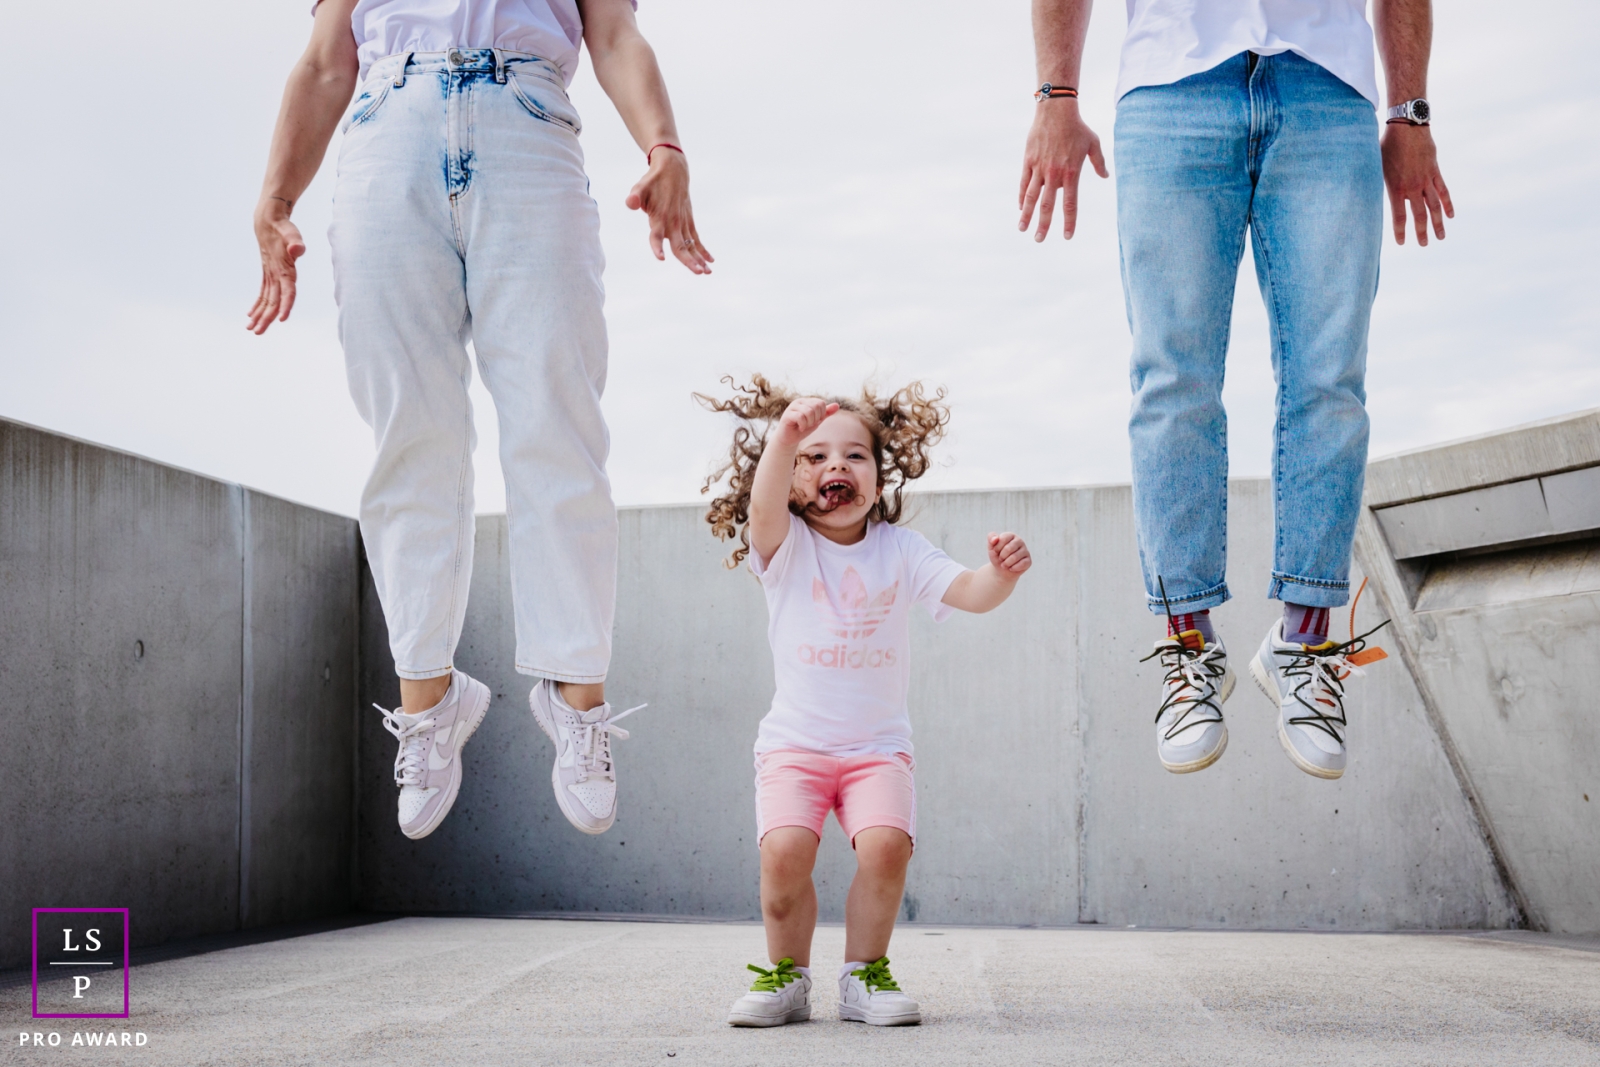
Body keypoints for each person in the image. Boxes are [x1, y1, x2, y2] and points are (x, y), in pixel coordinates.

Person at [248, 0, 711, 840]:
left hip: (526, 121)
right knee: (408, 431)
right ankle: (429, 697)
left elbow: (613, 32)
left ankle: (576, 692)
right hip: (389, 127)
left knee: (556, 416)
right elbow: (325, 59)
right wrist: (276, 198)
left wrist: (663, 144)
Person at [1018, 0, 1448, 779]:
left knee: (1331, 377)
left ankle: (1305, 641)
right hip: (1170, 84)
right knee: (1171, 378)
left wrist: (1409, 111)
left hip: (1327, 86)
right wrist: (1057, 96)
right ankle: (1186, 649)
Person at [696, 377, 1032, 1027]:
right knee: (785, 850)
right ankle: (787, 978)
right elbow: (763, 507)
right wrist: (782, 440)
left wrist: (1001, 574)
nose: (836, 467)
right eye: (815, 457)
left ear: (880, 480)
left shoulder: (900, 551)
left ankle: (862, 975)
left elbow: (969, 591)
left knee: (885, 847)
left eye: (855, 455)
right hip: (795, 745)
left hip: (877, 749)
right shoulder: (786, 547)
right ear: (795, 481)